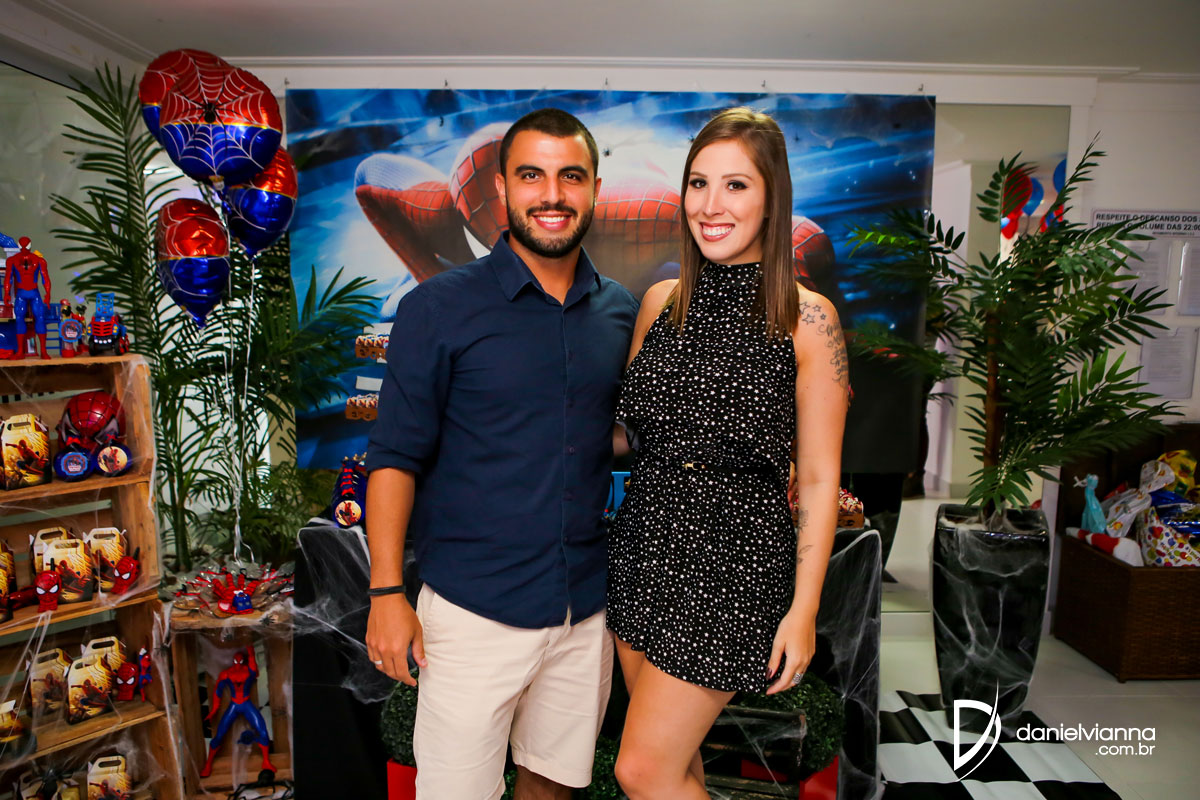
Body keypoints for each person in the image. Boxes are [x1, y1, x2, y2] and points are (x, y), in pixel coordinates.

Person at [364, 108, 638, 800]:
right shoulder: (439, 307)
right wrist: (386, 593)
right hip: (472, 610)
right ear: (503, 188)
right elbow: (394, 456)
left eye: (570, 176)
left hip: (584, 607)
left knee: (554, 786)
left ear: (595, 188)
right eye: (532, 176)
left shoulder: (619, 311)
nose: (553, 195)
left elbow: (605, 430)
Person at [608, 107, 849, 799]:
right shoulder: (661, 302)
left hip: (735, 558)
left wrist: (804, 610)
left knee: (640, 771)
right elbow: (631, 433)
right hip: (644, 543)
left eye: (736, 185)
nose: (711, 205)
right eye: (698, 183)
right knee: (676, 766)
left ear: (772, 199)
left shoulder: (808, 318)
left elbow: (821, 476)